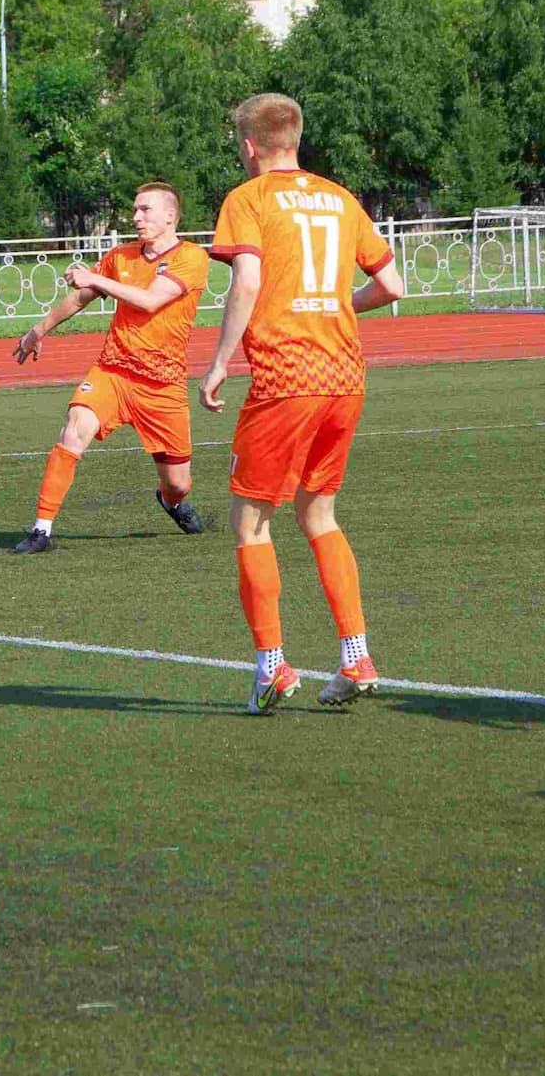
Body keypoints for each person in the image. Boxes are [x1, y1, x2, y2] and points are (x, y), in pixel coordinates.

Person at [199, 93, 405, 715]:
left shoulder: (249, 199)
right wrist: (339, 307)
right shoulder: (339, 198)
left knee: (250, 523)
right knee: (319, 515)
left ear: (249, 145)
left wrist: (216, 364)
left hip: (287, 376)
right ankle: (356, 655)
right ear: (298, 138)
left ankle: (271, 668)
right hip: (344, 374)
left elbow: (250, 280)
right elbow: (392, 285)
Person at [11, 182, 211, 554]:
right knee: (74, 429)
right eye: (135, 210)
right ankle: (41, 530)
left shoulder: (193, 257)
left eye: (145, 210)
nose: (136, 217)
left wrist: (96, 278)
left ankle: (171, 502)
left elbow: (151, 301)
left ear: (170, 216)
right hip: (113, 372)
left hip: (163, 386)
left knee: (178, 482)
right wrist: (37, 332)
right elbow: (80, 297)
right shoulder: (120, 257)